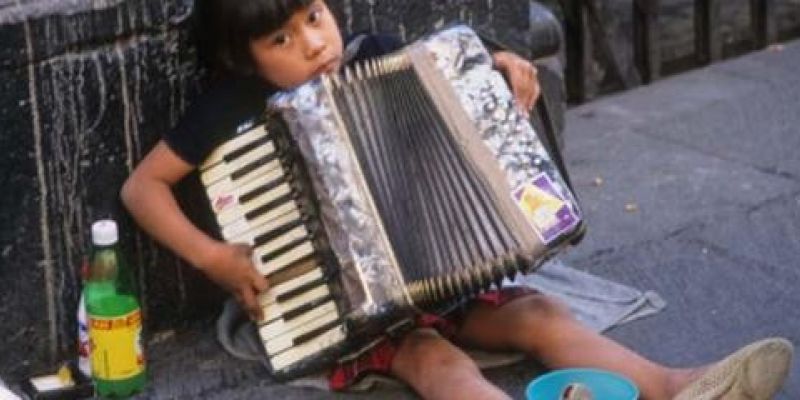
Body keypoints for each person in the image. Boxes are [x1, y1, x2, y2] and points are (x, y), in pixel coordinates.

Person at [120, 1, 794, 399]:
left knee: (540, 312)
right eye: (281, 39)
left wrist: (502, 63)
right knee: (431, 358)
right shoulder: (231, 113)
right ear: (246, 60)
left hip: (439, 286)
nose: (314, 42)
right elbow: (141, 187)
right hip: (344, 312)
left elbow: (454, 83)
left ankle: (673, 386)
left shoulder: (376, 56)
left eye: (313, 14)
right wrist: (213, 257)